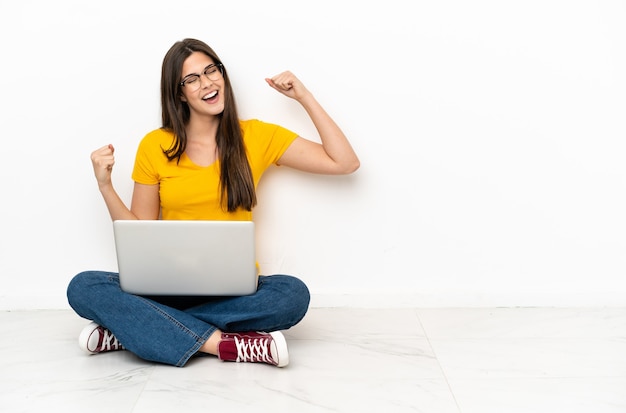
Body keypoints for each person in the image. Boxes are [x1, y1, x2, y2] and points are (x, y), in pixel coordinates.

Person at [66, 38, 359, 368]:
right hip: (165, 287)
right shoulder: (155, 145)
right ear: (179, 93)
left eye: (211, 70)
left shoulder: (256, 137)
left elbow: (344, 162)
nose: (207, 83)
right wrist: (105, 185)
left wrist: (303, 97)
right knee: (83, 286)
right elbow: (138, 232)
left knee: (292, 295)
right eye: (192, 79)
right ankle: (225, 345)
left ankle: (130, 330)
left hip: (234, 291)